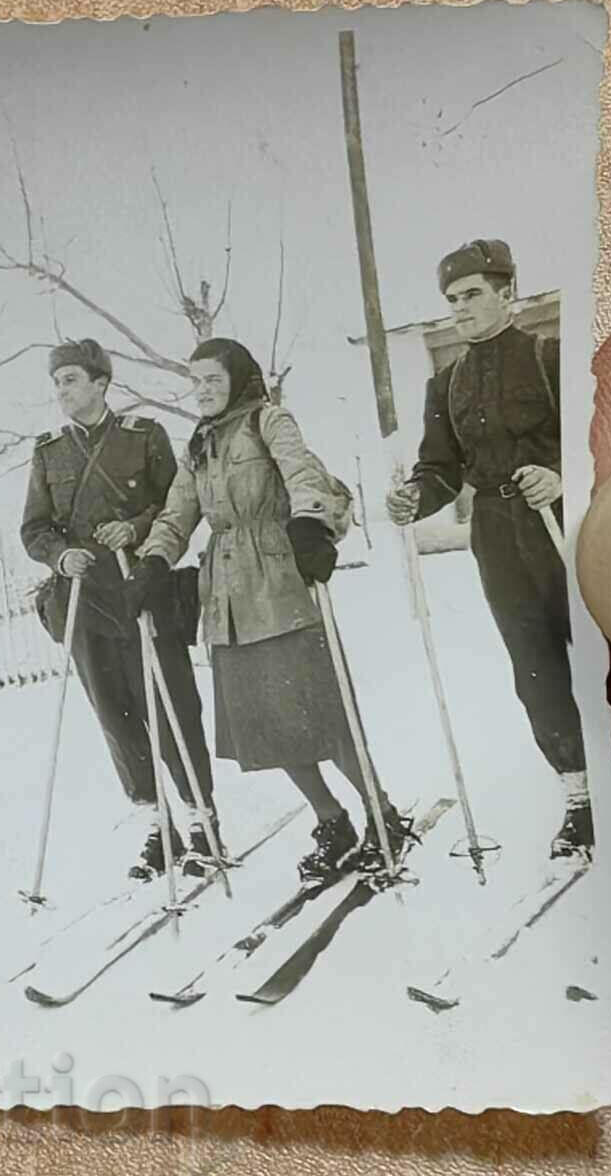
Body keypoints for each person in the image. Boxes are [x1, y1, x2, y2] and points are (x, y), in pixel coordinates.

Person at [124, 337, 410, 884]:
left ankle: (382, 815)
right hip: (227, 598)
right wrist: (153, 562)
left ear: (237, 378)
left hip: (280, 582)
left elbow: (302, 475)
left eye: (212, 378)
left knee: (321, 713)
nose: (203, 390)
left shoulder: (269, 421)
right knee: (265, 725)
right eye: (196, 381)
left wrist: (308, 526)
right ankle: (332, 820)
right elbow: (178, 511)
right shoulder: (198, 444)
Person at [386, 239, 592, 860]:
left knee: (600, 652)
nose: (460, 308)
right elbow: (442, 467)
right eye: (452, 300)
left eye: (473, 294)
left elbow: (595, 434)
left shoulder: (550, 355)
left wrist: (559, 473)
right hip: (498, 534)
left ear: (508, 293)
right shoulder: (446, 385)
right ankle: (580, 799)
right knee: (534, 666)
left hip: (565, 521)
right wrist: (415, 497)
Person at [21, 338, 222, 882]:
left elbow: (181, 505)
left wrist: (134, 529)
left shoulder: (145, 436)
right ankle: (158, 827)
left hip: (141, 590)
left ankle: (203, 822)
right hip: (84, 602)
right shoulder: (48, 453)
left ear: (101, 383)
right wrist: (61, 556)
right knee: (116, 716)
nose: (61, 391)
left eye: (70, 380)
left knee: (172, 706)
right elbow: (34, 529)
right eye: (57, 382)